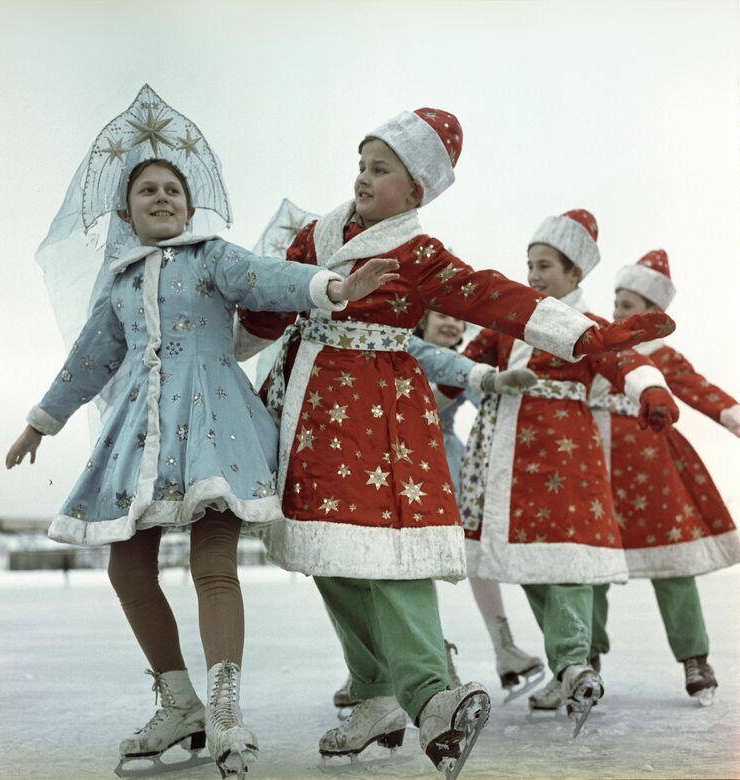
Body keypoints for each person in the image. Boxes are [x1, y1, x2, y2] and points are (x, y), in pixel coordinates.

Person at [235, 108, 674, 772]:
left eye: (381, 170)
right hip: (311, 414)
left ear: (416, 191)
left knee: (388, 554)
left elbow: (509, 303)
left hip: (382, 417)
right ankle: (376, 694)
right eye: (362, 164)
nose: (364, 178)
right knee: (327, 554)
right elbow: (265, 311)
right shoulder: (316, 236)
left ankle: (432, 699)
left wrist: (623, 362)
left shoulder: (420, 258)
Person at [5, 85, 397, 779]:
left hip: (216, 425)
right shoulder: (119, 283)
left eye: (173, 191)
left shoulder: (212, 256)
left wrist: (332, 287)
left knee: (212, 565)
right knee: (128, 564)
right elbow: (90, 360)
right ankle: (177, 698)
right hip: (141, 434)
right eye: (148, 191)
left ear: (190, 205)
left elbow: (267, 277)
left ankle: (223, 710)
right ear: (125, 211)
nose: (162, 199)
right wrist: (42, 421)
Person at [447, 210, 679, 733]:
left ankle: (573, 663)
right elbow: (462, 368)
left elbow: (624, 362)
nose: (533, 276)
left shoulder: (589, 325)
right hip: (506, 459)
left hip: (566, 458)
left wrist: (653, 391)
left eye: (545, 266)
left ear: (575, 275)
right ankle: (568, 664)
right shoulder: (507, 320)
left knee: (568, 560)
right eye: (529, 265)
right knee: (527, 563)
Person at [587, 250, 740, 705]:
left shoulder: (662, 354)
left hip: (651, 471)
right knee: (588, 562)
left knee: (673, 562)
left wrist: (732, 415)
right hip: (591, 464)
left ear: (654, 312)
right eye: (616, 301)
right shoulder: (593, 343)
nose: (617, 311)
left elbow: (698, 390)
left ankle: (695, 656)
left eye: (629, 304)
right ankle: (585, 659)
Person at [416, 312, 545, 695]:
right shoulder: (400, 357)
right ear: (420, 321)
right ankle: (424, 661)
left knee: (475, 555)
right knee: (409, 566)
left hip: (446, 463)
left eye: (457, 320)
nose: (452, 324)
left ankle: (504, 647)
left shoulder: (466, 367)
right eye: (441, 315)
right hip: (398, 462)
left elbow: (488, 399)